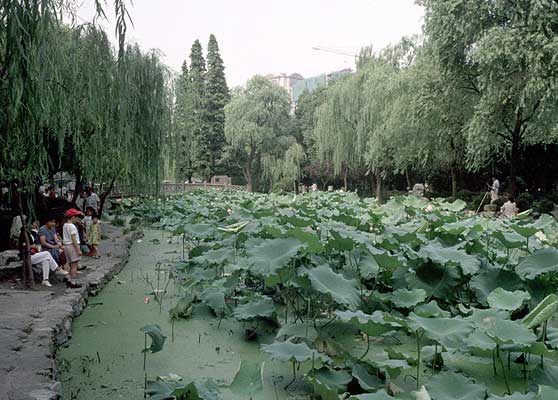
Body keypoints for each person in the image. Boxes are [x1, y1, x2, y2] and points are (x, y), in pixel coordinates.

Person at [19, 221, 68, 287]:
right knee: (47, 254)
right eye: (34, 223)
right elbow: (24, 245)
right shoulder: (23, 234)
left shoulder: (32, 232)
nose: (35, 225)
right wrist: (34, 246)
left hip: (34, 254)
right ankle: (57, 269)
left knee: (46, 260)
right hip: (26, 257)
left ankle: (45, 280)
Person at [63, 208, 83, 282]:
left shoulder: (65, 225)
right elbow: (74, 238)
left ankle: (68, 277)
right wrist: (78, 250)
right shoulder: (72, 226)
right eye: (76, 216)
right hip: (72, 246)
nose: (77, 218)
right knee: (74, 265)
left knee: (71, 264)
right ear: (72, 217)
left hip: (67, 246)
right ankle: (73, 281)